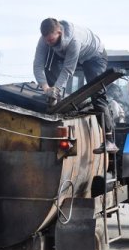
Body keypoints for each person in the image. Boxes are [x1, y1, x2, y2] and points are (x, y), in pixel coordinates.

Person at [33, 18, 118, 153]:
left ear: (59, 32)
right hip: (70, 53)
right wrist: (46, 88)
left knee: (97, 93)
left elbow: (68, 69)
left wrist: (56, 88)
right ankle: (54, 100)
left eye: (51, 40)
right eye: (46, 40)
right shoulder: (45, 41)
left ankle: (109, 140)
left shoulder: (74, 40)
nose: (48, 43)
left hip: (94, 56)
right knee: (48, 66)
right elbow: (38, 65)